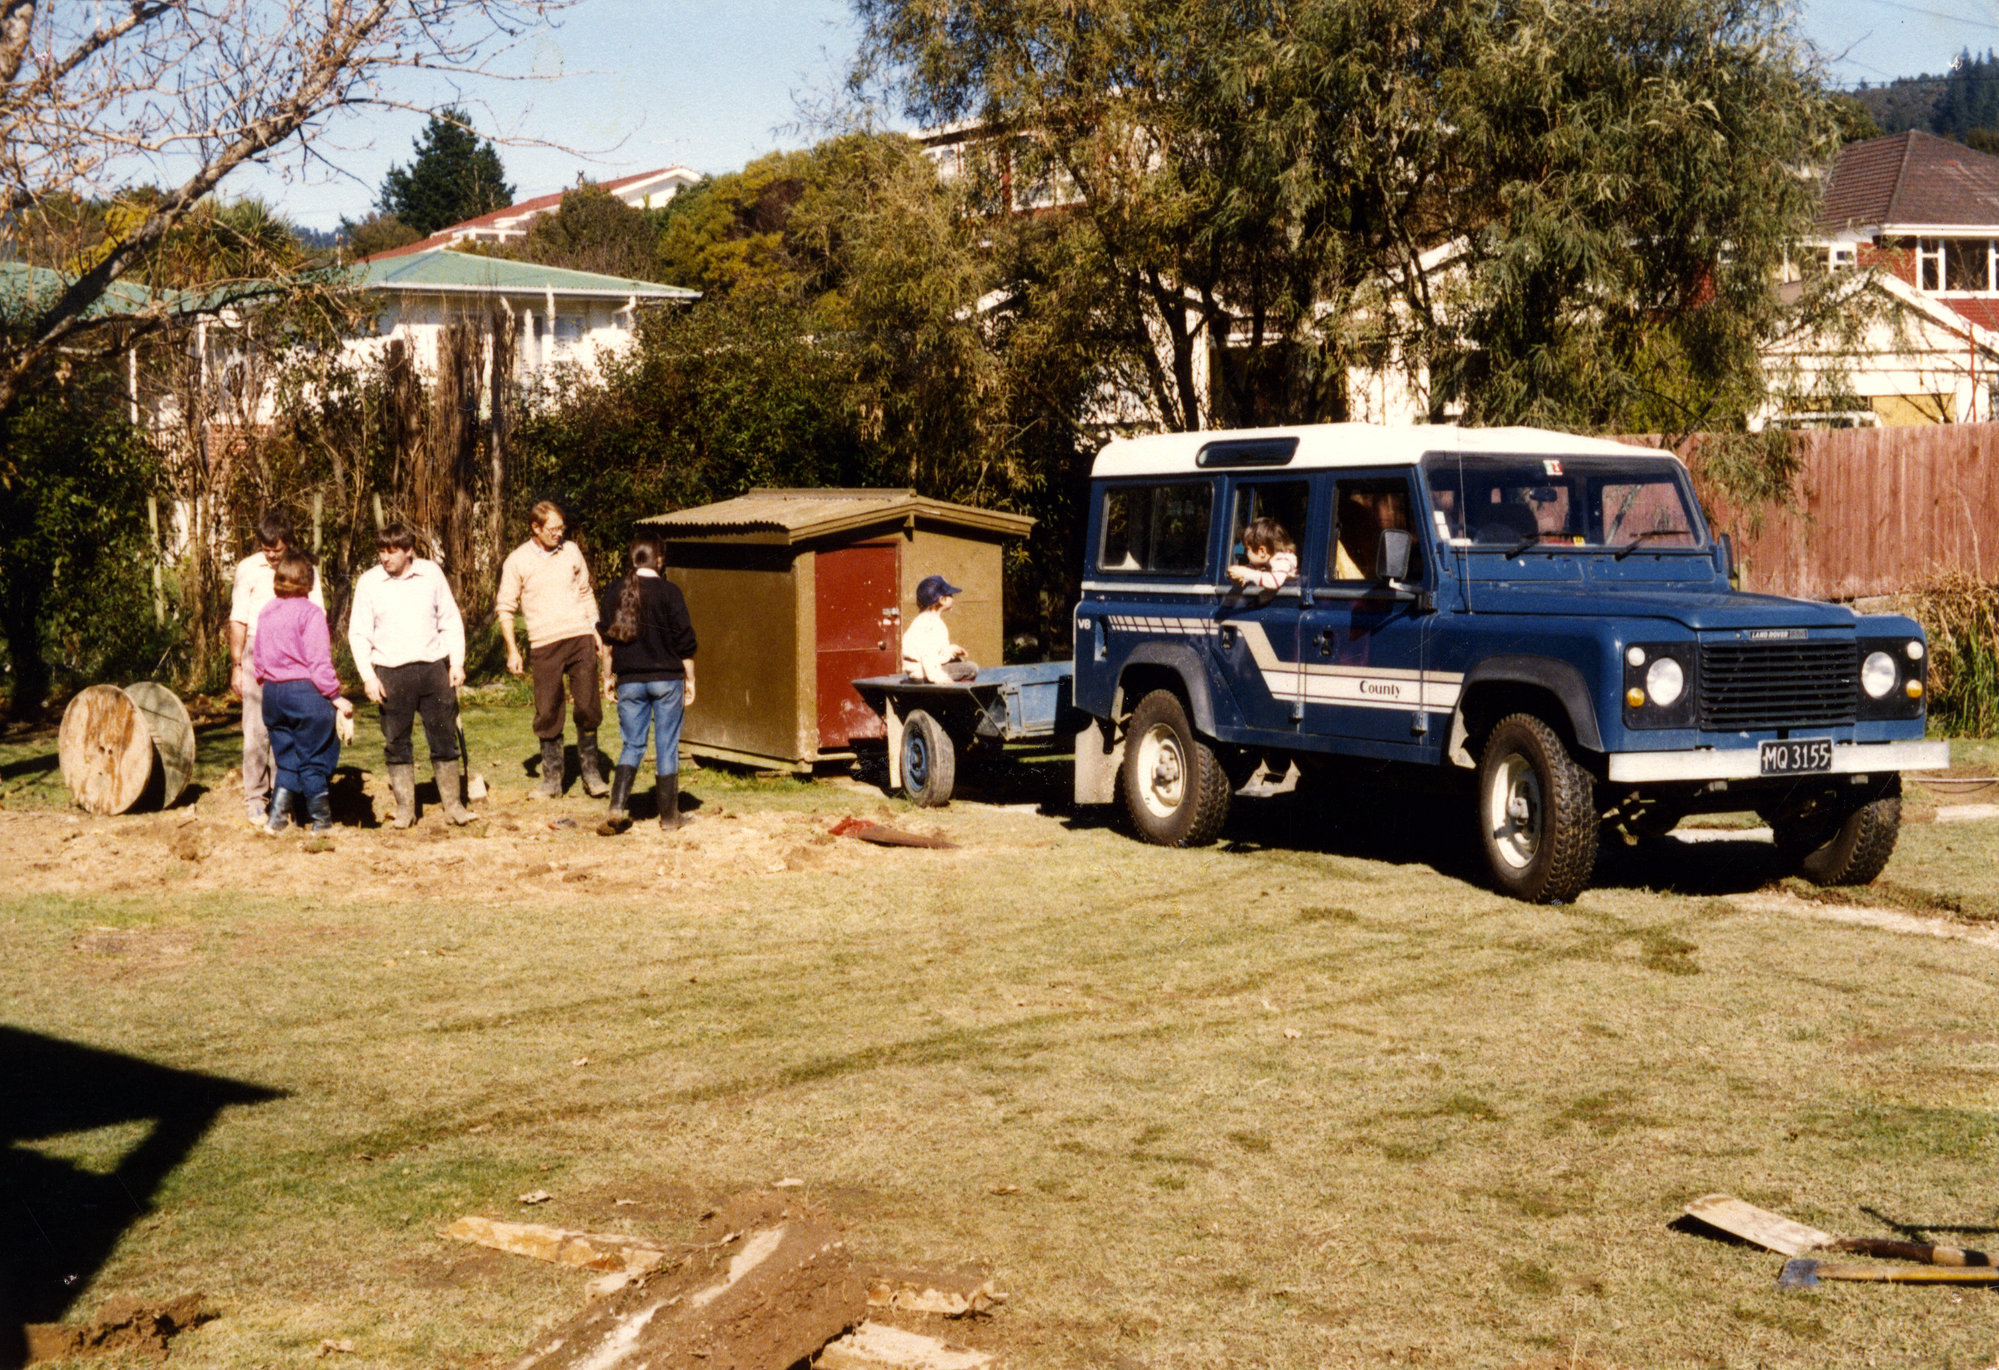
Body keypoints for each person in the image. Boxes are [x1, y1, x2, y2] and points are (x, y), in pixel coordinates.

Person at [348, 522, 473, 829]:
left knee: (443, 737)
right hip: (390, 673)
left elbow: (450, 620)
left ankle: (453, 806)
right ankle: (406, 809)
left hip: (433, 670)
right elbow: (359, 633)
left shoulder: (431, 574)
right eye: (381, 551)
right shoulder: (369, 582)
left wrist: (456, 663)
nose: (385, 558)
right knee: (396, 741)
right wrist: (368, 677)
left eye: (392, 551)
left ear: (409, 551)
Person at [497, 501, 608, 799]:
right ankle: (551, 781)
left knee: (587, 706)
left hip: (580, 637)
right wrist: (513, 650)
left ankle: (592, 775)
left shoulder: (571, 551)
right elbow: (505, 608)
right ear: (535, 528)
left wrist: (596, 629)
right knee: (547, 711)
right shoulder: (517, 561)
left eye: (561, 528)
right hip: (544, 645)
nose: (559, 534)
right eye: (552, 529)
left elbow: (586, 592)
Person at [595, 536, 698, 833]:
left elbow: (608, 643)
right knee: (666, 746)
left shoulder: (616, 590)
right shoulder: (670, 592)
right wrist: (689, 679)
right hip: (667, 681)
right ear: (660, 560)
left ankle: (616, 808)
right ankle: (669, 818)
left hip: (630, 682)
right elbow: (684, 642)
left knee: (632, 744)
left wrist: (607, 677)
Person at [228, 509, 324, 826]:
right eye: (266, 548)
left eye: (277, 549)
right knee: (256, 730)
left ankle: (288, 798)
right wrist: (237, 665)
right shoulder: (247, 569)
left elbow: (316, 617)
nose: (270, 554)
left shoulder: (304, 569)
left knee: (290, 728)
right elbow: (239, 619)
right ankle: (256, 798)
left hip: (296, 651)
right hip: (258, 647)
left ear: (289, 543)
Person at [254, 550, 353, 835]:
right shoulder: (311, 613)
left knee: (286, 758)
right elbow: (319, 664)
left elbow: (258, 661)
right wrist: (335, 695)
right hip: (306, 694)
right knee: (313, 758)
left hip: (273, 695)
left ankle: (277, 820)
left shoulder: (266, 611)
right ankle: (321, 822)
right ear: (308, 581)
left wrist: (271, 683)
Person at [901, 574, 977, 683]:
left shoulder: (922, 620)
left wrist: (951, 651)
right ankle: (956, 698)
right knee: (971, 668)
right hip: (924, 674)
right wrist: (940, 679)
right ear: (942, 599)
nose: (952, 597)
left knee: (957, 661)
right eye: (950, 594)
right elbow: (927, 654)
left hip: (916, 671)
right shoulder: (933, 624)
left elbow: (932, 650)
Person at [1227, 517, 1298, 590]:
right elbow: (1252, 572)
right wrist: (1240, 578)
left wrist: (1247, 573)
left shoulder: (1282, 560)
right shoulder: (1262, 564)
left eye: (1248, 549)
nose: (1245, 553)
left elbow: (1275, 581)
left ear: (1262, 552)